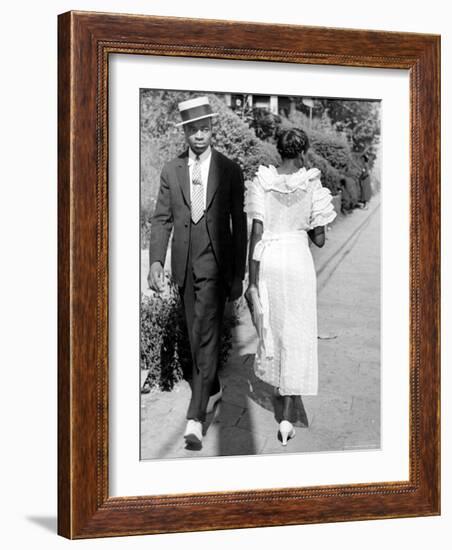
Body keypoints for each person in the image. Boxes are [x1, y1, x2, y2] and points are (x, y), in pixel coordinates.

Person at [148, 96, 247, 447]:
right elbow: (161, 219)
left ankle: (195, 417)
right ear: (185, 132)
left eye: (204, 129)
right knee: (195, 335)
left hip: (217, 267)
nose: (199, 136)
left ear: (212, 130)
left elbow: (239, 224)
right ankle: (214, 387)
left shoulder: (230, 170)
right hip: (184, 266)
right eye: (193, 130)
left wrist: (238, 274)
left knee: (205, 331)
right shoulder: (171, 170)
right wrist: (156, 262)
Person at [244, 128, 336, 446]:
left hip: (269, 260)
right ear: (303, 152)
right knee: (298, 332)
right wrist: (310, 224)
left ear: (278, 150)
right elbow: (320, 239)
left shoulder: (262, 182)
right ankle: (286, 416)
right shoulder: (311, 184)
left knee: (274, 329)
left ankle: (279, 391)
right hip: (297, 261)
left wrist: (251, 279)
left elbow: (256, 232)